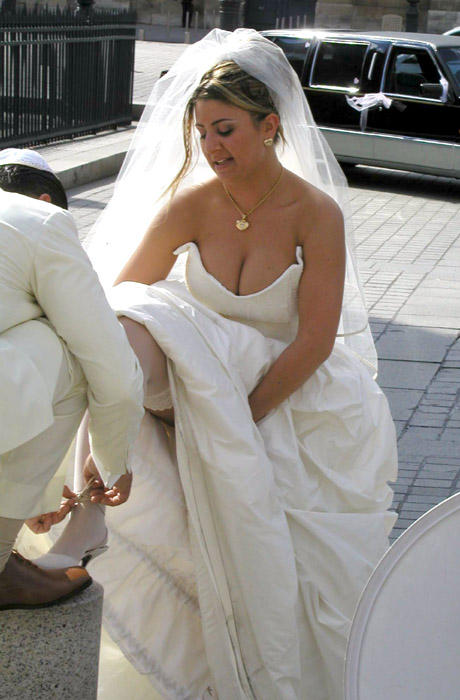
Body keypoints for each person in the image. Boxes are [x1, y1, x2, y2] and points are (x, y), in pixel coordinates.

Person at [41, 30, 398, 699]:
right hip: (199, 379)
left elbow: (315, 340)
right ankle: (90, 500)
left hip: (286, 394)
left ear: (270, 127)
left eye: (226, 130)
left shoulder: (314, 213)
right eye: (201, 132)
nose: (211, 148)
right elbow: (118, 301)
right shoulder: (192, 202)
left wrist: (236, 418)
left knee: (293, 568)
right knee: (127, 320)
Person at [0, 148, 145, 610]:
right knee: (70, 352)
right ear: (47, 200)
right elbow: (113, 371)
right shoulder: (41, 221)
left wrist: (38, 492)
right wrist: (113, 461)